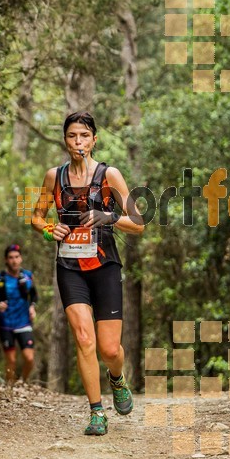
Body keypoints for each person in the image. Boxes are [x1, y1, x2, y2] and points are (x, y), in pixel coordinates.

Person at [31, 111, 144, 435]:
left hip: (105, 266)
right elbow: (37, 216)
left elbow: (138, 224)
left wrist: (107, 217)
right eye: (71, 136)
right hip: (70, 268)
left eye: (84, 136)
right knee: (83, 338)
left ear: (94, 140)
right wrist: (48, 229)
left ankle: (117, 378)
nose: (77, 142)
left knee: (109, 350)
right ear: (64, 140)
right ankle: (97, 412)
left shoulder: (110, 175)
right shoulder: (55, 176)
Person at [0, 243, 37, 384]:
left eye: (17, 257)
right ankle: (10, 388)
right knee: (11, 360)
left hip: (24, 322)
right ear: (6, 260)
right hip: (6, 324)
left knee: (29, 358)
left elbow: (34, 295)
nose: (14, 260)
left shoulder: (27, 276)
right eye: (11, 257)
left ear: (21, 258)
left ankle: (23, 383)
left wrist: (32, 307)